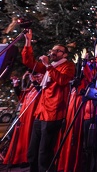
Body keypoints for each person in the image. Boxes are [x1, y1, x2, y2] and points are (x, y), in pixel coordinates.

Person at [22, 29, 75, 172]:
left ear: (64, 54)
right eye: (53, 50)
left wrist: (48, 65)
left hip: (53, 113)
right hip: (41, 112)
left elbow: (63, 80)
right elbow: (28, 61)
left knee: (45, 152)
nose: (53, 52)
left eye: (58, 51)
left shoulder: (68, 65)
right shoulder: (48, 68)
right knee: (33, 150)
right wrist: (27, 42)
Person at [3, 72, 42, 167]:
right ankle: (17, 159)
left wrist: (34, 81)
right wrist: (16, 85)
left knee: (28, 139)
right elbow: (21, 96)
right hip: (23, 117)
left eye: (39, 75)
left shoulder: (41, 89)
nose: (36, 76)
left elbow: (41, 93)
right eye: (36, 75)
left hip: (32, 118)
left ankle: (27, 160)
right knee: (19, 139)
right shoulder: (31, 89)